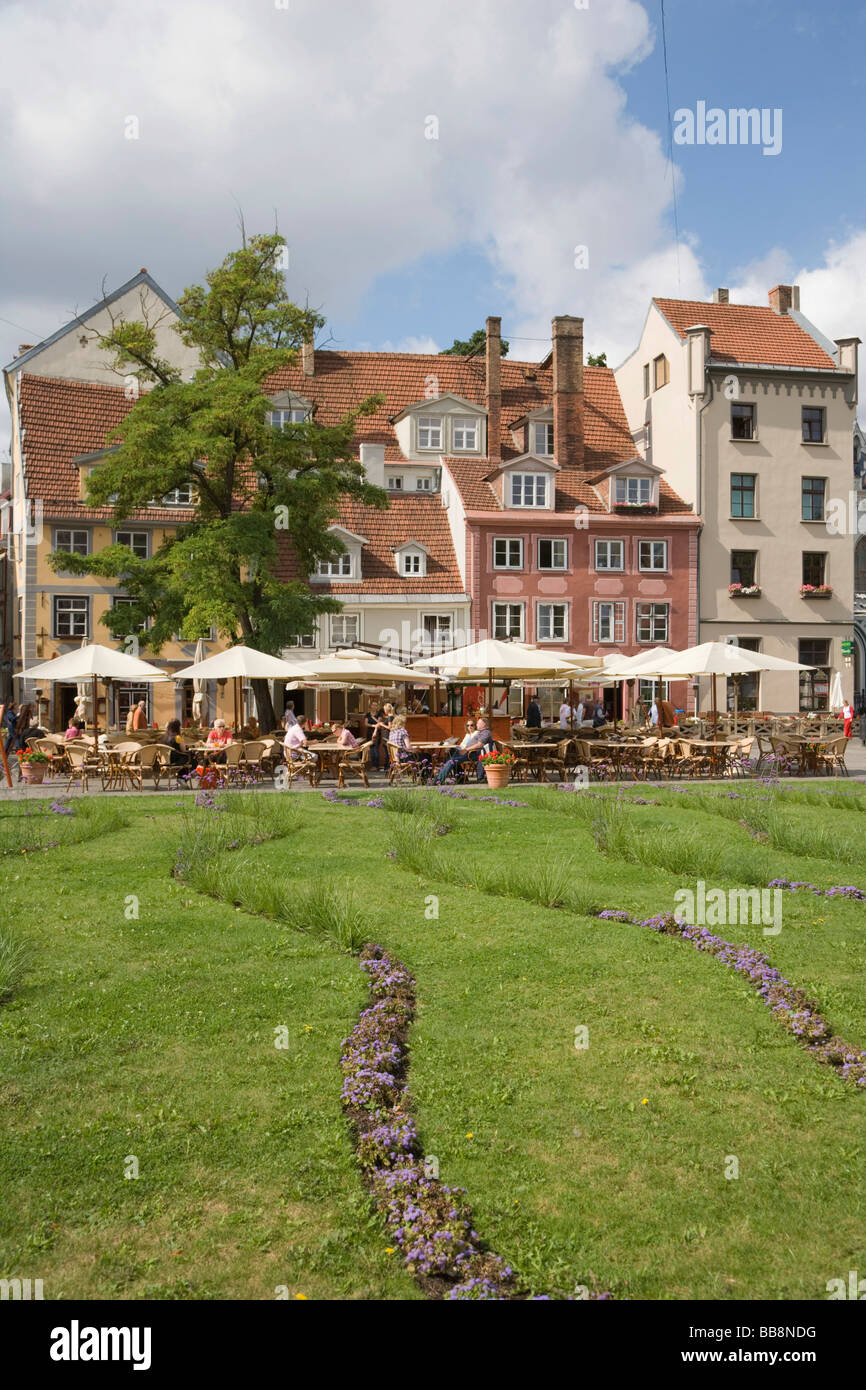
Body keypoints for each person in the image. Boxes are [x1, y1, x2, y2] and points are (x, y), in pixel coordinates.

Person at [436, 717, 495, 784]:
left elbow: (480, 745)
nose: (477, 725)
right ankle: (460, 777)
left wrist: (466, 749)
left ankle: (438, 781)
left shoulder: (486, 732)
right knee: (450, 754)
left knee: (451, 761)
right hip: (468, 752)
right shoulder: (481, 732)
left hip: (472, 753)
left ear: (484, 724)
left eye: (478, 723)